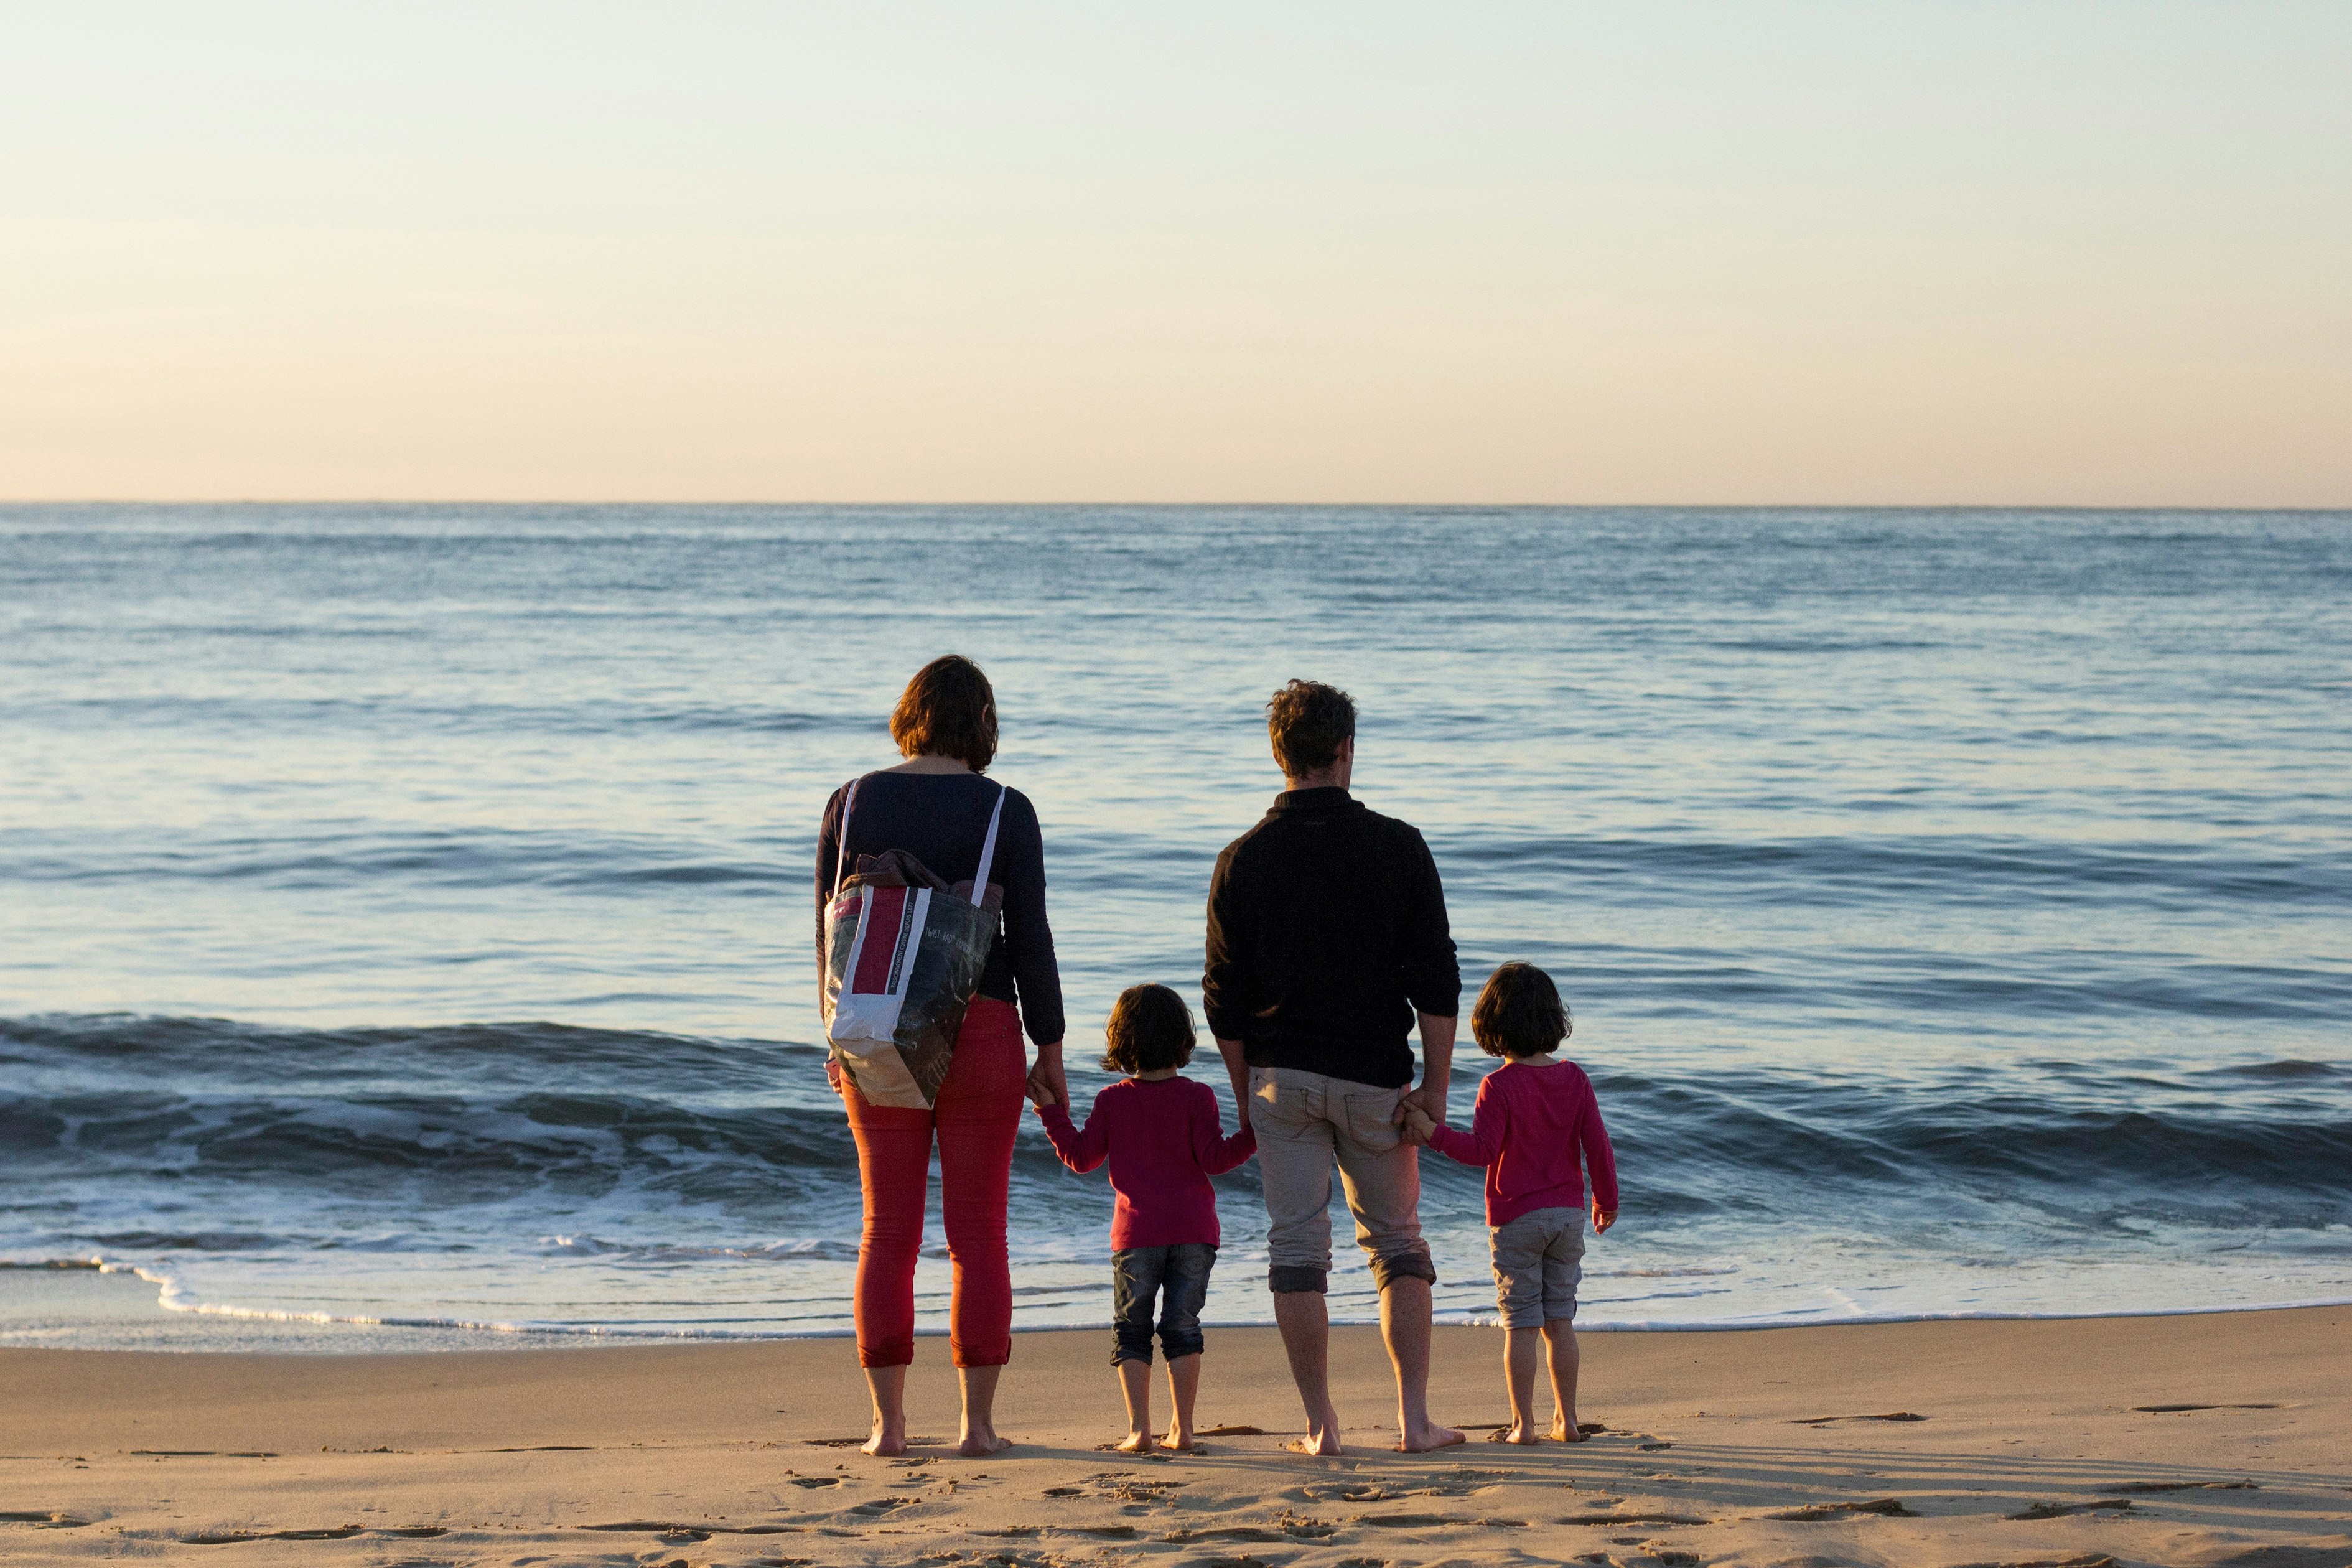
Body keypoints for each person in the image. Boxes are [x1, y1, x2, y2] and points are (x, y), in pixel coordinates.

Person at [1202, 678, 1465, 1455]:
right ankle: (1414, 1421)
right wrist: (1438, 1087)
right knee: (1397, 1245)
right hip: (1375, 1081)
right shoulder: (1399, 846)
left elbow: (1222, 998)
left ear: (1278, 754)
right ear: (1347, 750)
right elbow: (1437, 980)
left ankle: (1322, 1428)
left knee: (1296, 1251)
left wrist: (1245, 1091)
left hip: (1281, 1079)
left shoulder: (1241, 859)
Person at [814, 655, 1067, 1458]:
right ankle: (978, 1428)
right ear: (983, 724)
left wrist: (835, 1032)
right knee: (977, 1233)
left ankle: (888, 1429)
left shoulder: (849, 803)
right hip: (983, 1029)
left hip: (874, 1021)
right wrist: (1051, 1047)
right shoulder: (1005, 811)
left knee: (886, 1230)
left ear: (909, 713)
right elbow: (1031, 938)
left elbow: (827, 932)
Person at [1031, 983, 1256, 1452]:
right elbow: (1216, 1159)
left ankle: (1139, 1430)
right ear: (1183, 1040)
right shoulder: (1198, 1097)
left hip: (1136, 1237)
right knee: (1183, 1326)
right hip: (1195, 1233)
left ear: (1120, 1042)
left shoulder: (1114, 1100)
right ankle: (1185, 1429)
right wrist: (1258, 1133)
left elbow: (1079, 1158)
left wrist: (1050, 1111)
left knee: (1131, 1329)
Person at [1401, 962, 1619, 1444]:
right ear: (1552, 1020)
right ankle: (1569, 1420)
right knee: (1560, 1320)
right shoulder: (1576, 1079)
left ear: (1492, 1025)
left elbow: (1481, 1152)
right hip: (1568, 1216)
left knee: (1520, 1324)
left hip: (1516, 1219)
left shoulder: (1497, 1087)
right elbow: (1598, 1146)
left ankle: (1524, 1425)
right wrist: (1606, 1198)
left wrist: (1431, 1134)